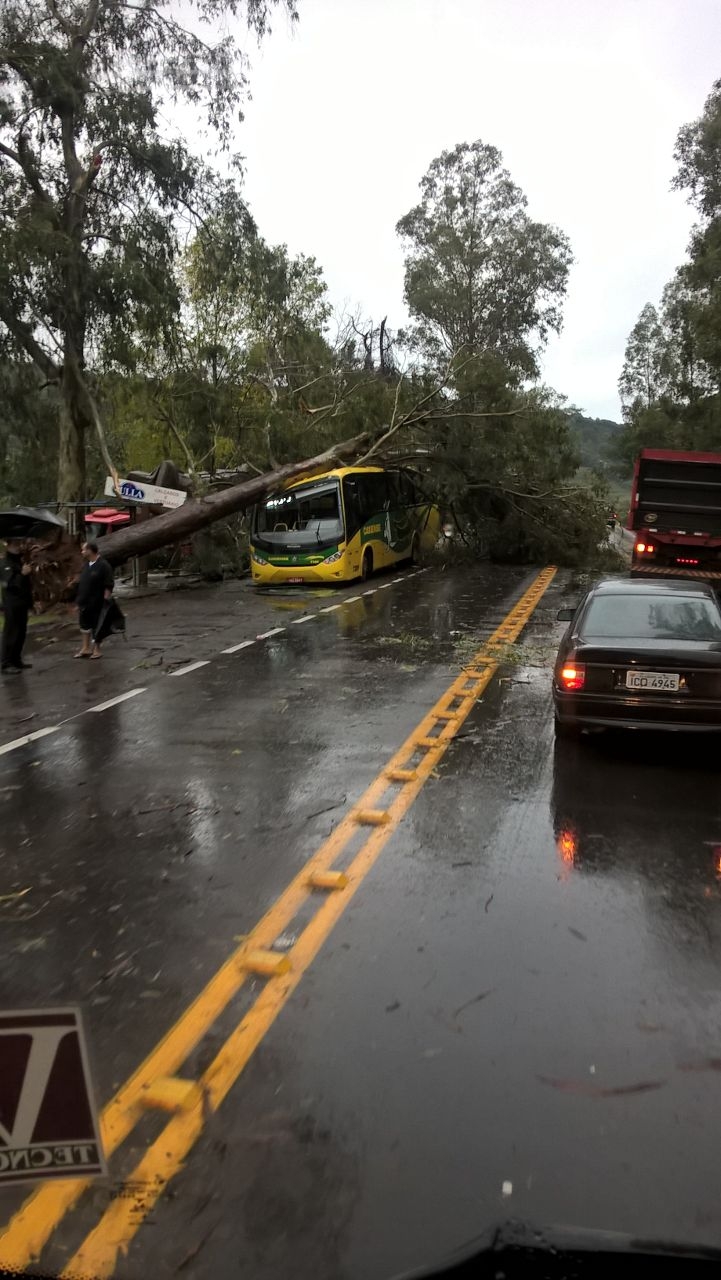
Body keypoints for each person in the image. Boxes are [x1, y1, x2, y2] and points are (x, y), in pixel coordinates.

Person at [75, 540, 114, 660]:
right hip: (84, 601)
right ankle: (85, 648)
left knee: (97, 625)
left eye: (83, 549)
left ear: (90, 550)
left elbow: (109, 584)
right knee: (84, 625)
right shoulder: (86, 565)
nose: (82, 552)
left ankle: (97, 649)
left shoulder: (103, 565)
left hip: (97, 601)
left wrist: (106, 600)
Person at [1, 540, 33, 674]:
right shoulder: (5, 564)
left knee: (21, 632)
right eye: (15, 545)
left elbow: (26, 584)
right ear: (8, 546)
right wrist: (22, 574)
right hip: (12, 603)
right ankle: (6, 662)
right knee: (11, 632)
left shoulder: (19, 561)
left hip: (22, 602)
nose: (18, 547)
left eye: (19, 544)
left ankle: (16, 659)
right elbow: (10, 584)